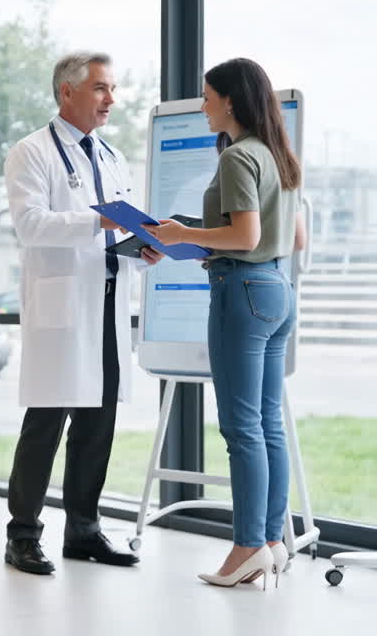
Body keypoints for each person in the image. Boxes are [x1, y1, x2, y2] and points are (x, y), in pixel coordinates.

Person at [145, 57, 306, 589]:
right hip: (278, 290)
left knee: (241, 429)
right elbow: (294, 239)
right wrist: (194, 237)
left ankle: (245, 548)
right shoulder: (279, 155)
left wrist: (176, 236)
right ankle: (272, 542)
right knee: (266, 423)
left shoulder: (239, 157)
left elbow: (243, 238)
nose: (202, 105)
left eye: (207, 96)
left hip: (241, 291)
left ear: (230, 100)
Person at [2, 51, 162, 575]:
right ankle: (22, 533)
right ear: (66, 92)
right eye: (99, 89)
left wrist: (141, 246)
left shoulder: (112, 157)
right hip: (63, 309)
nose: (110, 100)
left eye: (112, 89)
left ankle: (83, 530)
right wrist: (98, 222)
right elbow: (29, 225)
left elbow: (114, 232)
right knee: (46, 422)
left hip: (109, 302)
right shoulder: (32, 152)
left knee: (99, 421)